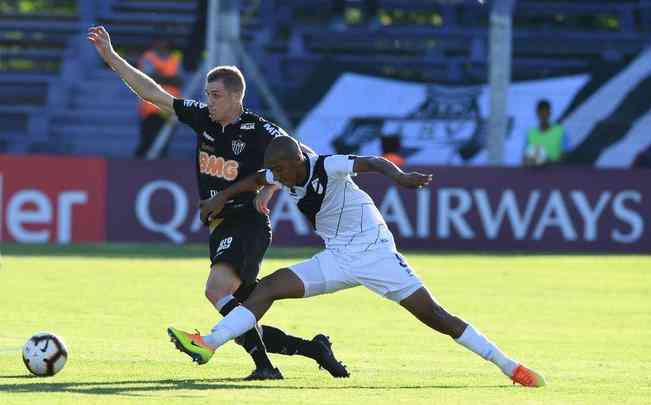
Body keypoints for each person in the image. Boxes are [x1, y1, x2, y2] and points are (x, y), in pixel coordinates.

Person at [173, 135, 547, 387]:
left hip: (376, 254)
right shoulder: (280, 171)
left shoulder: (327, 165)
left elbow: (372, 161)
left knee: (436, 316)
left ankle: (509, 366)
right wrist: (221, 199)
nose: (279, 178)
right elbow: (257, 178)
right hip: (337, 258)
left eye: (282, 171)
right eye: (276, 173)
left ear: (296, 161)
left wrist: (399, 177)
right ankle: (208, 343)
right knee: (268, 288)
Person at [87, 26, 348, 380]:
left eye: (216, 96)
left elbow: (303, 156)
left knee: (215, 290)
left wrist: (269, 189)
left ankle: (265, 369)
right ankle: (313, 348)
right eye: (208, 95)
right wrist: (111, 57)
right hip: (221, 225)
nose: (209, 102)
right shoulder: (202, 119)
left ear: (236, 97)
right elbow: (153, 93)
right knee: (240, 313)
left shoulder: (259, 131)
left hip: (247, 223)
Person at [135, 37, 182, 158]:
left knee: (163, 144)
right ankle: (138, 167)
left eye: (164, 41)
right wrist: (170, 79)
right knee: (147, 141)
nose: (162, 44)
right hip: (150, 108)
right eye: (159, 41)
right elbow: (147, 78)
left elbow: (179, 80)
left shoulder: (175, 58)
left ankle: (157, 168)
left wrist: (159, 77)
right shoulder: (148, 57)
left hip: (169, 107)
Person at [523, 99, 570, 167]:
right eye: (541, 112)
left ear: (550, 113)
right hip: (534, 174)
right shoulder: (530, 133)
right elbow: (525, 159)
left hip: (555, 174)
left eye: (546, 112)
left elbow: (565, 157)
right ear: (537, 113)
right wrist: (531, 161)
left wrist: (547, 162)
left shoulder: (560, 131)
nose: (543, 115)